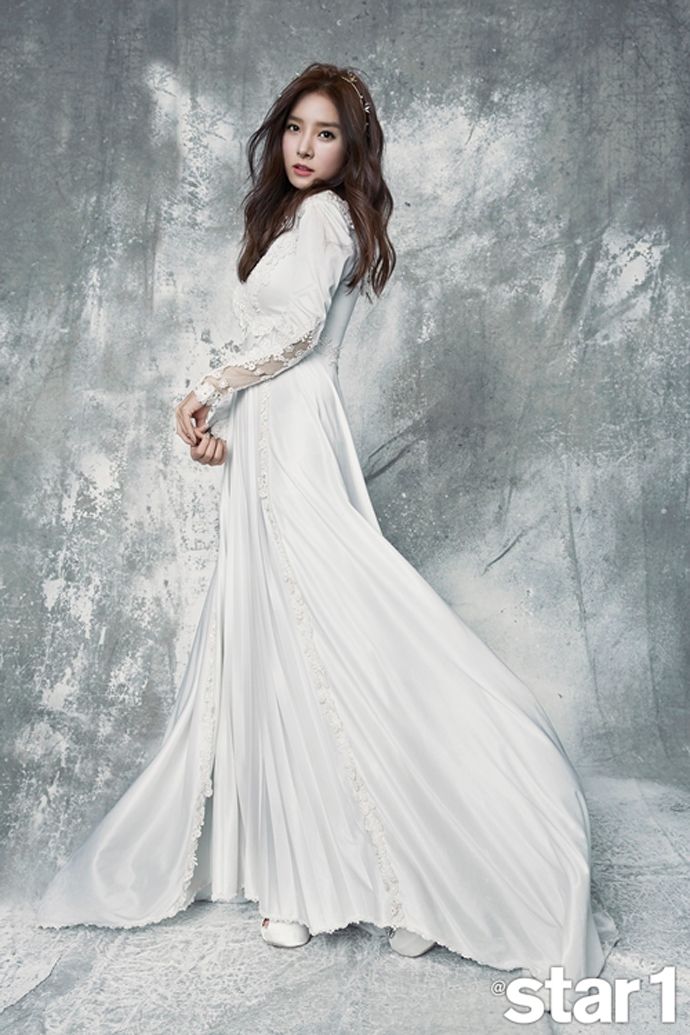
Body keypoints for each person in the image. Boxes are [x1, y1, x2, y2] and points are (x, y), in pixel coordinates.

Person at [35, 62, 617, 1008]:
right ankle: (361, 877)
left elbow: (299, 332)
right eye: (296, 129)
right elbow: (282, 353)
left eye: (327, 133)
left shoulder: (322, 218)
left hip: (296, 430)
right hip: (278, 432)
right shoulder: (302, 218)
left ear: (353, 150)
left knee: (336, 631)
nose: (306, 147)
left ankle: (415, 868)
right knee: (289, 644)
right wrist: (222, 428)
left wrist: (205, 388)